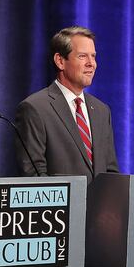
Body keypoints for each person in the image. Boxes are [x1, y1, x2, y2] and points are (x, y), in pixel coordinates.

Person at [14, 26, 119, 181]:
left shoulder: (102, 110)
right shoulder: (35, 108)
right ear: (60, 61)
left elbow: (110, 172)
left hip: (99, 205)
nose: (92, 63)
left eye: (93, 56)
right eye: (83, 56)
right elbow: (33, 175)